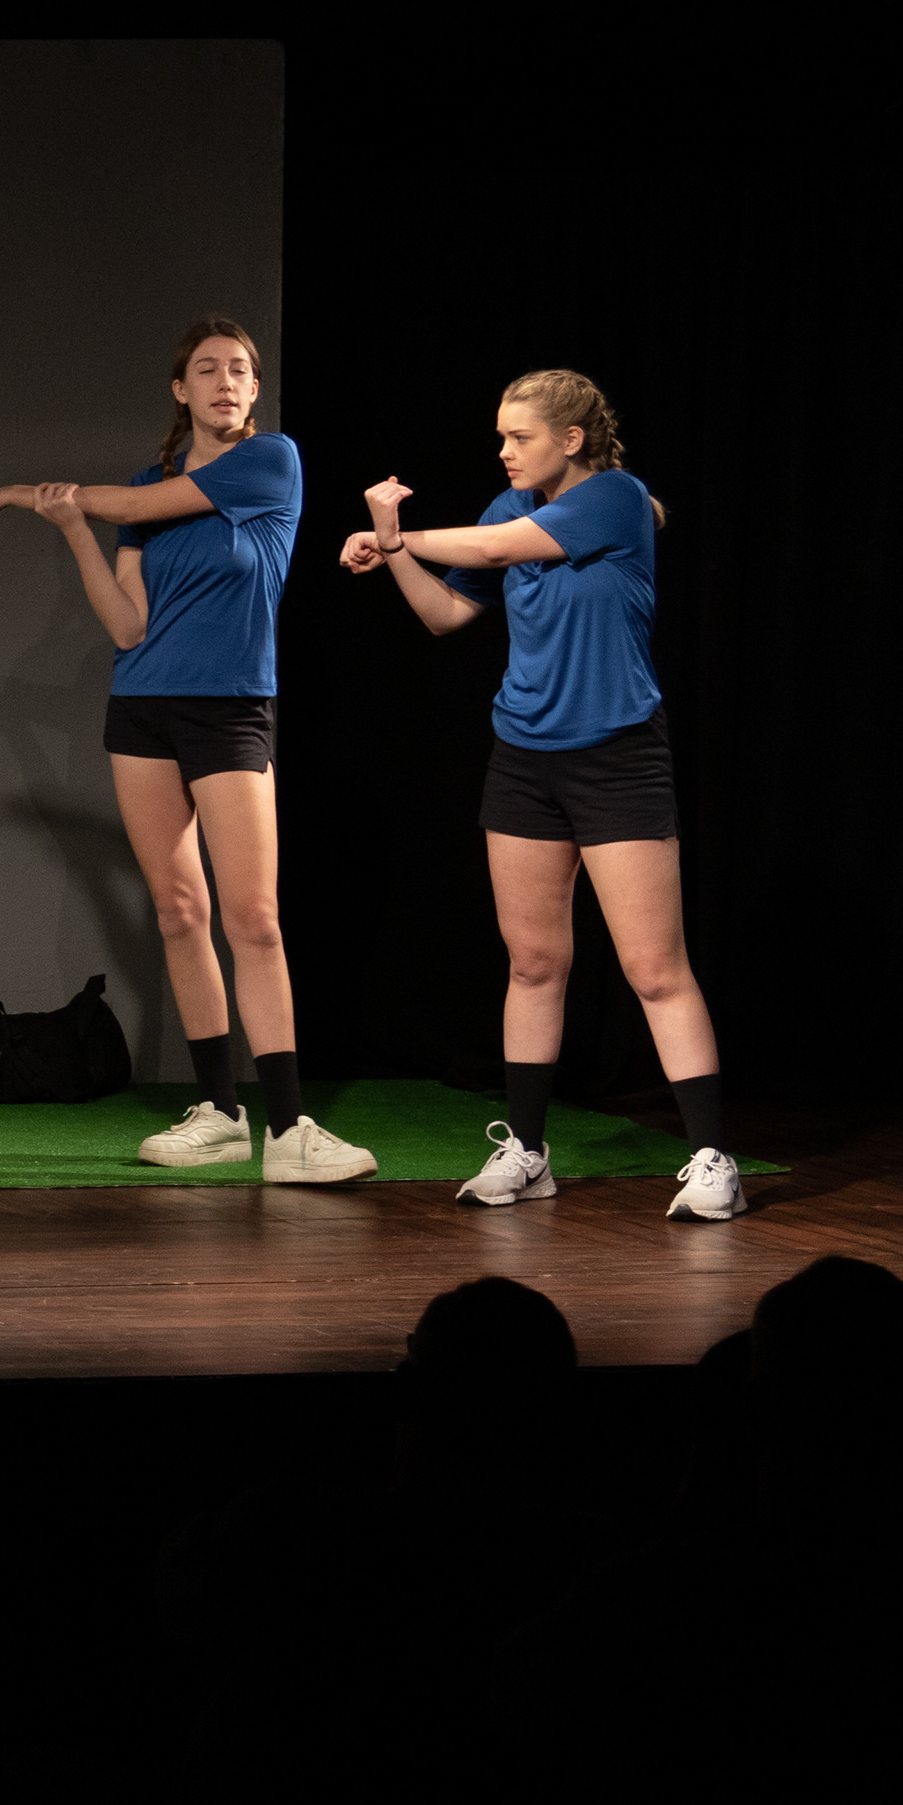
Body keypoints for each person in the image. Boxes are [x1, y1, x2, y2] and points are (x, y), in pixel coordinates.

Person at [0, 318, 373, 1186]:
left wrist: (23, 492)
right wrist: (71, 526)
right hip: (142, 709)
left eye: (241, 370)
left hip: (229, 710)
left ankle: (289, 1126)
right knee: (180, 912)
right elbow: (126, 625)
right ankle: (220, 1113)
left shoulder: (270, 462)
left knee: (252, 918)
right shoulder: (143, 487)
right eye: (207, 371)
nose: (226, 383)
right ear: (181, 390)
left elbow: (140, 510)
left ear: (255, 389)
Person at [341, 368, 737, 1220]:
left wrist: (394, 532)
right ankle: (526, 1152)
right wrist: (397, 557)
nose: (504, 451)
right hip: (524, 758)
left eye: (519, 437)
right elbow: (446, 615)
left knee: (653, 967)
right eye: (501, 436)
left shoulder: (616, 499)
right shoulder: (502, 507)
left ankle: (712, 1159)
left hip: (617, 755)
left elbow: (493, 551)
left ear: (572, 439)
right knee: (532, 962)